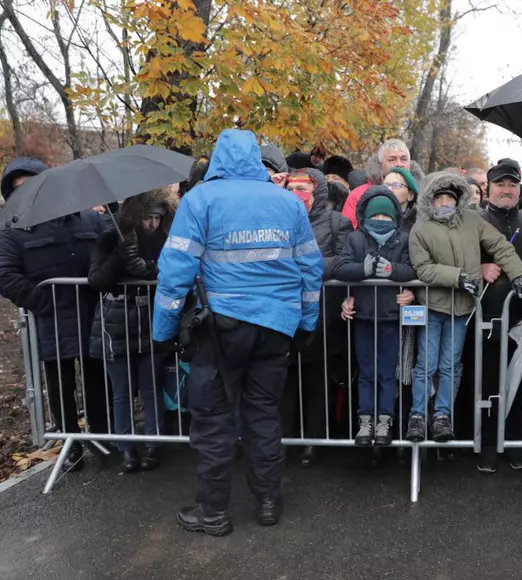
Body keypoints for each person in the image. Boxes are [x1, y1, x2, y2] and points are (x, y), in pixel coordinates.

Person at [152, 129, 324, 535]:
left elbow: (175, 273)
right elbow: (311, 269)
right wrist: (306, 323)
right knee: (263, 414)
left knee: (213, 420)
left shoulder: (200, 199)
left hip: (221, 328)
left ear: (218, 159)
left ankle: (213, 512)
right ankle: (268, 503)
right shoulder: (288, 202)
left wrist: (163, 331)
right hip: (275, 327)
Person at [0, 157, 109, 472]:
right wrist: (43, 303)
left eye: (32, 184)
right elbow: (5, 274)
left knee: (98, 379)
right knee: (61, 385)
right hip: (52, 322)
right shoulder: (12, 231)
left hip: (93, 315)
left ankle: (103, 436)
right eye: (18, 188)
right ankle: (70, 443)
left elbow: (111, 251)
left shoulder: (87, 218)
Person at [405, 171, 522, 442]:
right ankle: (417, 415)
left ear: (458, 199)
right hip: (432, 306)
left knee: (450, 365)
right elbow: (423, 268)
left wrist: (519, 274)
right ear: (429, 200)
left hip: (462, 309)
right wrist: (458, 277)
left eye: (450, 198)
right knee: (426, 364)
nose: (444, 203)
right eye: (439, 198)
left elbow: (500, 247)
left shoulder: (472, 221)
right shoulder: (421, 229)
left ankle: (442, 415)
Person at [88, 188, 175, 472]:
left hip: (151, 319)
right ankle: (126, 447)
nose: (152, 224)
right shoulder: (111, 237)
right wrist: (119, 257)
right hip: (116, 322)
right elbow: (96, 279)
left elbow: (174, 272)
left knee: (151, 387)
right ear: (135, 216)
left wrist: (149, 269)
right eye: (147, 218)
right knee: (122, 392)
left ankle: (154, 444)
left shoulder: (166, 239)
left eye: (157, 218)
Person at [280, 168, 353, 467]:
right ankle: (284, 440)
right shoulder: (279, 220)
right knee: (284, 383)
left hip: (324, 316)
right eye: (291, 188)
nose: (296, 194)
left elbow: (345, 261)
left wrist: (304, 265)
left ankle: (313, 441)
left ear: (318, 192)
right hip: (285, 314)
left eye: (303, 189)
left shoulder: (337, 222)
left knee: (317, 384)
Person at [334, 187, 416, 446]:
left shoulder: (404, 239)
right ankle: (365, 420)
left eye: (386, 217)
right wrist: (363, 269)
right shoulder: (356, 239)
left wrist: (392, 270)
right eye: (376, 216)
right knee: (367, 372)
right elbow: (340, 267)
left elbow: (413, 269)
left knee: (387, 373)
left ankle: (384, 421)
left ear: (395, 218)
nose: (381, 221)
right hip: (364, 317)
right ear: (366, 216)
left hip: (391, 318)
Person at [474, 159, 522, 472]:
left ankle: (513, 442)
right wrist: (478, 268)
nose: (506, 190)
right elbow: (454, 259)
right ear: (488, 188)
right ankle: (487, 444)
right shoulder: (474, 220)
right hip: (484, 319)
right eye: (500, 184)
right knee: (486, 383)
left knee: (520, 383)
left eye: (512, 184)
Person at [342, 139, 414, 229]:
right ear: (380, 165)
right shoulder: (358, 195)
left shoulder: (422, 195)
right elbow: (347, 231)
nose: (399, 164)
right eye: (392, 160)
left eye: (404, 159)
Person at [383, 166, 419, 231]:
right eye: (386, 186)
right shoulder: (373, 216)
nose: (389, 189)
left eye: (396, 185)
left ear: (410, 195)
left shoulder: (417, 226)